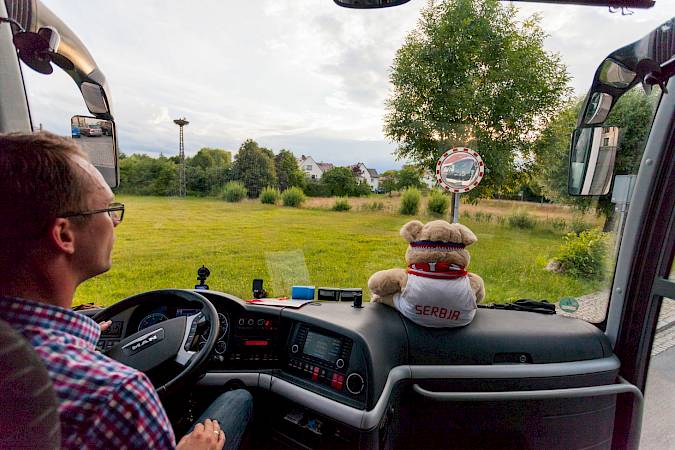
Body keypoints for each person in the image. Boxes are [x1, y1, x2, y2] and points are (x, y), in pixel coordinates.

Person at [0, 132, 252, 450]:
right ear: (64, 235)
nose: (115, 222)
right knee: (238, 398)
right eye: (107, 209)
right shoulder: (117, 396)